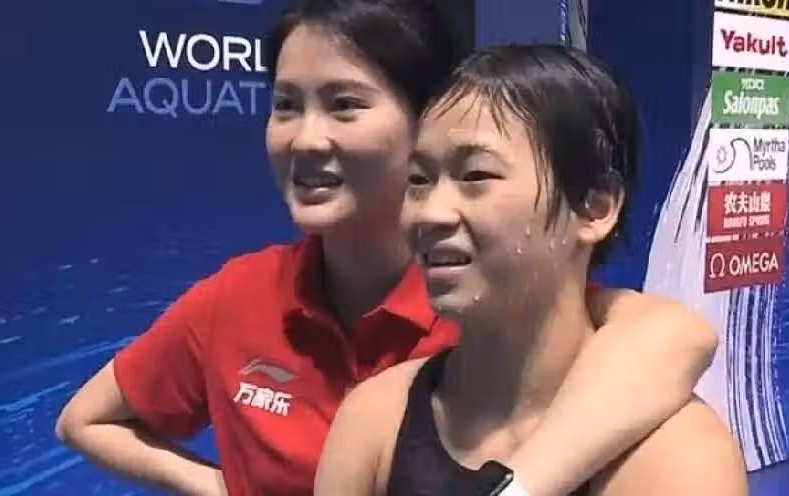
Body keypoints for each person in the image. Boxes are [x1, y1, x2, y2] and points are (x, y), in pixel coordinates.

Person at [55, 1, 719, 495]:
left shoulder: (504, 303)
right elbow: (85, 420)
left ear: (429, 116)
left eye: (345, 104)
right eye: (285, 105)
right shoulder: (248, 306)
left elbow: (676, 338)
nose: (306, 139)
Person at [314, 43, 748, 496]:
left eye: (476, 175)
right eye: (419, 181)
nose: (430, 213)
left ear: (596, 208)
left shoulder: (678, 458)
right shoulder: (373, 421)